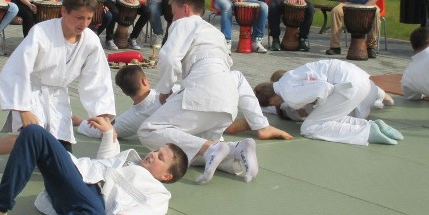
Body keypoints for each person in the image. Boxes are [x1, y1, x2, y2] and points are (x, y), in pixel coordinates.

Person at [138, 0, 291, 185]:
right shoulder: (216, 34)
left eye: (173, 12)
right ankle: (235, 150)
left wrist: (165, 91)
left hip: (203, 91)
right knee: (185, 150)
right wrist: (260, 124)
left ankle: (212, 148)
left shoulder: (183, 22)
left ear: (185, 9)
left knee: (149, 131)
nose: (172, 18)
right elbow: (238, 79)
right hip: (227, 103)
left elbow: (168, 58)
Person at [0, 123, 188, 215]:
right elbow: (105, 159)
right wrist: (108, 132)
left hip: (92, 203)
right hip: (76, 177)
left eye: (161, 158)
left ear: (167, 176)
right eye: (156, 150)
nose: (153, 154)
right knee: (34, 132)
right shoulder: (128, 159)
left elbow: (151, 211)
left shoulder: (159, 192)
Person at [0, 0, 116, 152]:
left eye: (89, 19)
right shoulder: (41, 32)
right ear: (64, 11)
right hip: (31, 93)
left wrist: (103, 114)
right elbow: (16, 69)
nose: (84, 24)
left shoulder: (90, 40)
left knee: (62, 155)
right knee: (34, 144)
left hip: (57, 96)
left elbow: (97, 78)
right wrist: (23, 110)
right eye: (79, 18)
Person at [75, 64, 292, 145]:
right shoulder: (173, 92)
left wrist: (80, 122)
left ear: (124, 92)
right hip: (205, 109)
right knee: (234, 80)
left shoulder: (130, 119)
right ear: (145, 80)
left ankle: (249, 123)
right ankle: (259, 121)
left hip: (193, 124)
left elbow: (104, 132)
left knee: (221, 124)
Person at [255, 60, 402, 146]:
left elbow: (324, 88)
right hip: (360, 79)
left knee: (310, 127)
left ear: (271, 100)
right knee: (327, 118)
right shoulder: (288, 78)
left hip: (348, 85)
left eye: (272, 105)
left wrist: (315, 105)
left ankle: (368, 132)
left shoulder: (288, 94)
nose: (276, 106)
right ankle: (372, 126)